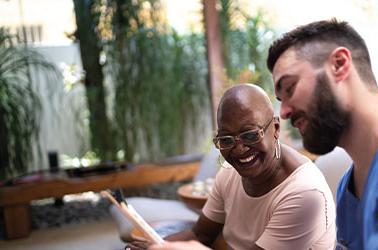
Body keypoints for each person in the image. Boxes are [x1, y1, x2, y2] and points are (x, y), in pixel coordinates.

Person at [266, 18, 378, 249]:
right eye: (280, 101)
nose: (283, 113)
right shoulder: (347, 187)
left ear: (339, 64)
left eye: (290, 87)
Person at [127, 83, 336, 250]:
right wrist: (154, 246)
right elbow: (201, 234)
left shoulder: (304, 193)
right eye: (226, 139)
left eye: (250, 135)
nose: (238, 149)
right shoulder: (229, 174)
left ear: (275, 128)